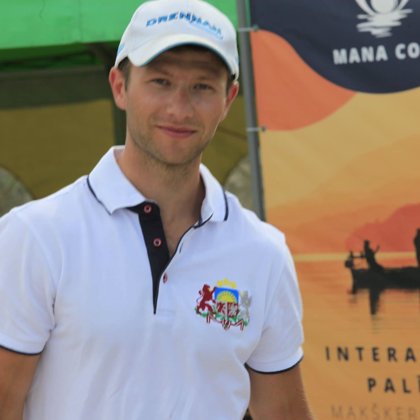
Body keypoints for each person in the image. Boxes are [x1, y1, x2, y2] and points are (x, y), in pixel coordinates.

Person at [0, 1, 315, 419]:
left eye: (202, 86)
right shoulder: (36, 236)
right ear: (120, 87)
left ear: (229, 99)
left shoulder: (263, 252)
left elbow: (284, 412)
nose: (179, 108)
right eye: (161, 82)